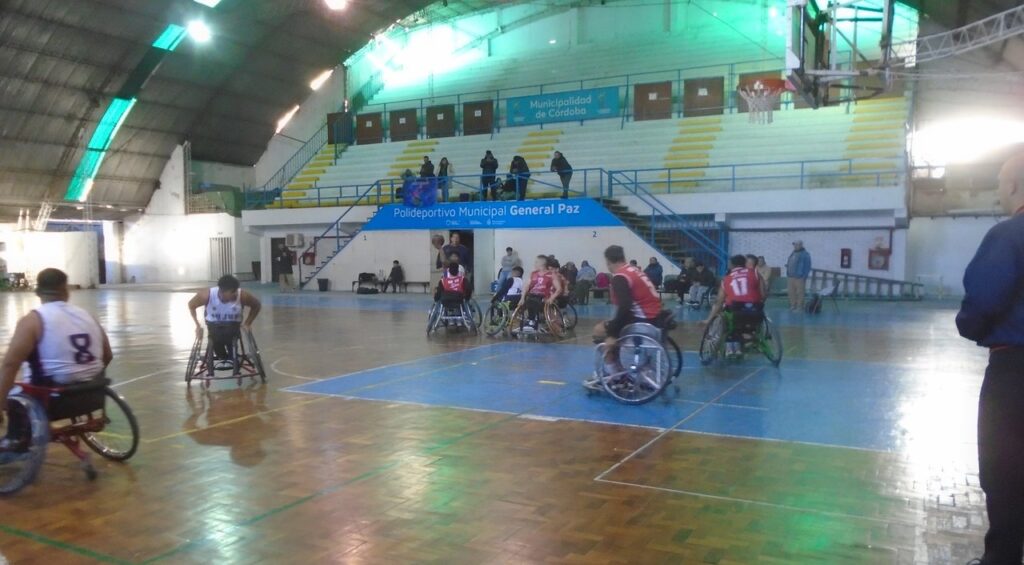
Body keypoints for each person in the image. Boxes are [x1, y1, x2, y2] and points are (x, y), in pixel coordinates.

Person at [958, 152, 1024, 565]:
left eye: (1000, 182)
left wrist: (971, 327)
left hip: (1015, 373)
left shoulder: (1009, 235)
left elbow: (981, 302)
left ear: (1013, 185)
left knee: (1005, 474)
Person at [0, 268, 113, 402]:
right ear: (66, 291)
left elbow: (10, 365)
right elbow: (107, 355)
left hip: (50, 398)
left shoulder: (32, 320)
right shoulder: (89, 317)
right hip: (92, 394)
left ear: (37, 293)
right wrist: (84, 376)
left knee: (11, 390)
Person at [585, 245, 664, 389]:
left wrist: (613, 334)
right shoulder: (635, 271)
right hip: (656, 320)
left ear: (608, 261)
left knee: (599, 331)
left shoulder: (620, 277)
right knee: (610, 325)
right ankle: (617, 368)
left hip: (643, 324)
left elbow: (625, 307)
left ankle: (614, 375)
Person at [188, 275, 262, 370]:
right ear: (222, 291)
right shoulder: (206, 295)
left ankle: (232, 357)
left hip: (233, 328)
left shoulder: (242, 295)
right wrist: (197, 326)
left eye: (236, 290)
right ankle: (225, 357)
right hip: (214, 328)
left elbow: (256, 305)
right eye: (233, 292)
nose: (236, 293)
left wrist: (248, 323)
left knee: (231, 342)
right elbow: (191, 305)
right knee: (215, 341)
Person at [703, 255, 765, 357]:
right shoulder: (755, 273)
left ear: (731, 265)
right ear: (744, 264)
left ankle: (729, 345)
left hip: (736, 312)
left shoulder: (726, 279)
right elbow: (763, 294)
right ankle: (746, 341)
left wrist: (708, 319)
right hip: (756, 311)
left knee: (723, 314)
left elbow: (719, 302)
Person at [516, 255, 563, 333]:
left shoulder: (551, 274)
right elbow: (526, 286)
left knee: (533, 301)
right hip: (532, 295)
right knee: (526, 300)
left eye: (536, 262)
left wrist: (552, 298)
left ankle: (532, 320)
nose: (534, 264)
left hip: (544, 297)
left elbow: (559, 289)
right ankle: (529, 320)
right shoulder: (533, 274)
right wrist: (522, 298)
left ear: (542, 264)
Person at [786, 240, 812, 311]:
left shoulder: (805, 254)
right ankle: (793, 305)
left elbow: (807, 266)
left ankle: (799, 307)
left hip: (799, 277)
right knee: (791, 292)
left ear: (801, 245)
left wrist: (804, 276)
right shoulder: (793, 253)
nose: (795, 246)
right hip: (790, 276)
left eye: (796, 244)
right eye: (794, 245)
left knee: (800, 293)